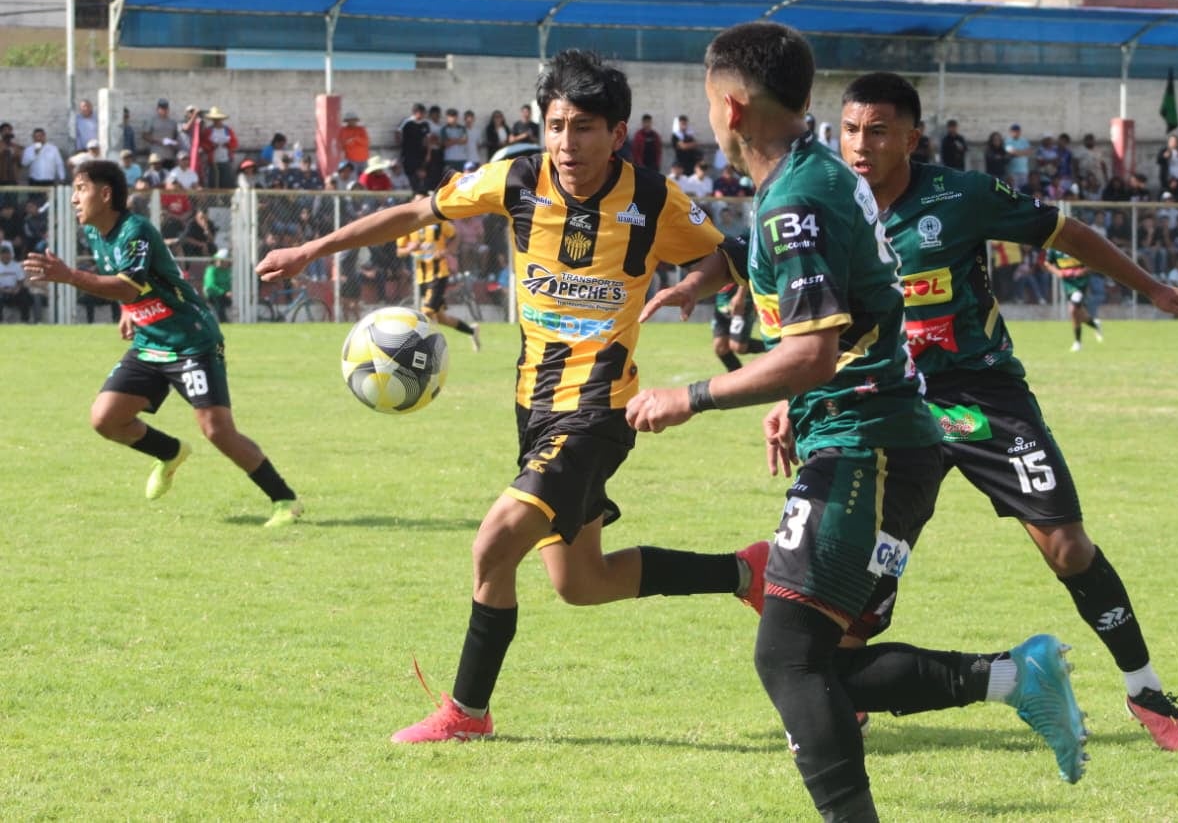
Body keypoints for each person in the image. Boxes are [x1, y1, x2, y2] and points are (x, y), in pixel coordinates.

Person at [628, 22, 1087, 822]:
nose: (708, 119)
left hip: (864, 441)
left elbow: (810, 354)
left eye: (708, 104)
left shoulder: (796, 201)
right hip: (877, 438)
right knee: (823, 666)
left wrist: (689, 395)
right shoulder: (813, 178)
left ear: (731, 106)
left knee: (786, 659)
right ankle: (1018, 677)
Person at [256, 49, 769, 745]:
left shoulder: (653, 198)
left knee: (493, 543)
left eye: (583, 127)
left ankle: (466, 711)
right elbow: (416, 210)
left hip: (597, 412)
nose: (566, 143)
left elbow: (734, 252)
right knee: (581, 581)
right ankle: (747, 571)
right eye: (556, 125)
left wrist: (686, 287)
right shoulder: (516, 179)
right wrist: (313, 251)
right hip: (534, 407)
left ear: (616, 133)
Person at [836, 70, 1178, 752]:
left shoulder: (961, 194)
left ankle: (1144, 687)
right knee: (860, 575)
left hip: (982, 398)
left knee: (1067, 545)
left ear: (911, 138)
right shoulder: (830, 202)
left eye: (878, 130)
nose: (861, 144)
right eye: (851, 129)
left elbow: (1066, 233)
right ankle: (846, 695)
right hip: (890, 407)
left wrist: (1152, 288)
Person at [21, 160, 302, 527]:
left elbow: (126, 283)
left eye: (80, 188)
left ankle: (284, 500)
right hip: (150, 341)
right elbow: (129, 285)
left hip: (191, 341)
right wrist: (128, 309)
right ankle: (169, 452)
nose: (74, 198)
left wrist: (71, 276)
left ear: (105, 194)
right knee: (105, 419)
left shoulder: (134, 230)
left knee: (217, 430)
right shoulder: (96, 233)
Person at [395, 196, 480, 350]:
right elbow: (399, 252)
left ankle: (422, 348)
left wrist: (448, 251)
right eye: (417, 202)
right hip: (421, 275)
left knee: (426, 312)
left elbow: (455, 234)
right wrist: (409, 249)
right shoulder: (408, 226)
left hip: (438, 273)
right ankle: (472, 331)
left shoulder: (437, 222)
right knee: (441, 318)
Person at [1045, 247, 1103, 351]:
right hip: (1067, 283)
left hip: (1081, 283)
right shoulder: (1054, 247)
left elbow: (1094, 264)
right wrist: (1058, 273)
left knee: (1073, 310)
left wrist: (1083, 271)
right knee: (1078, 313)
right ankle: (1094, 324)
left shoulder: (1079, 245)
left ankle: (1078, 343)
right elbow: (1047, 263)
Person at [203, 248, 233, 323]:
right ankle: (223, 321)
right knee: (219, 303)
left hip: (228, 295)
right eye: (218, 260)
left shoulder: (228, 271)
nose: (219, 262)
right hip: (214, 294)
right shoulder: (211, 270)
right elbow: (210, 285)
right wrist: (224, 292)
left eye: (222, 260)